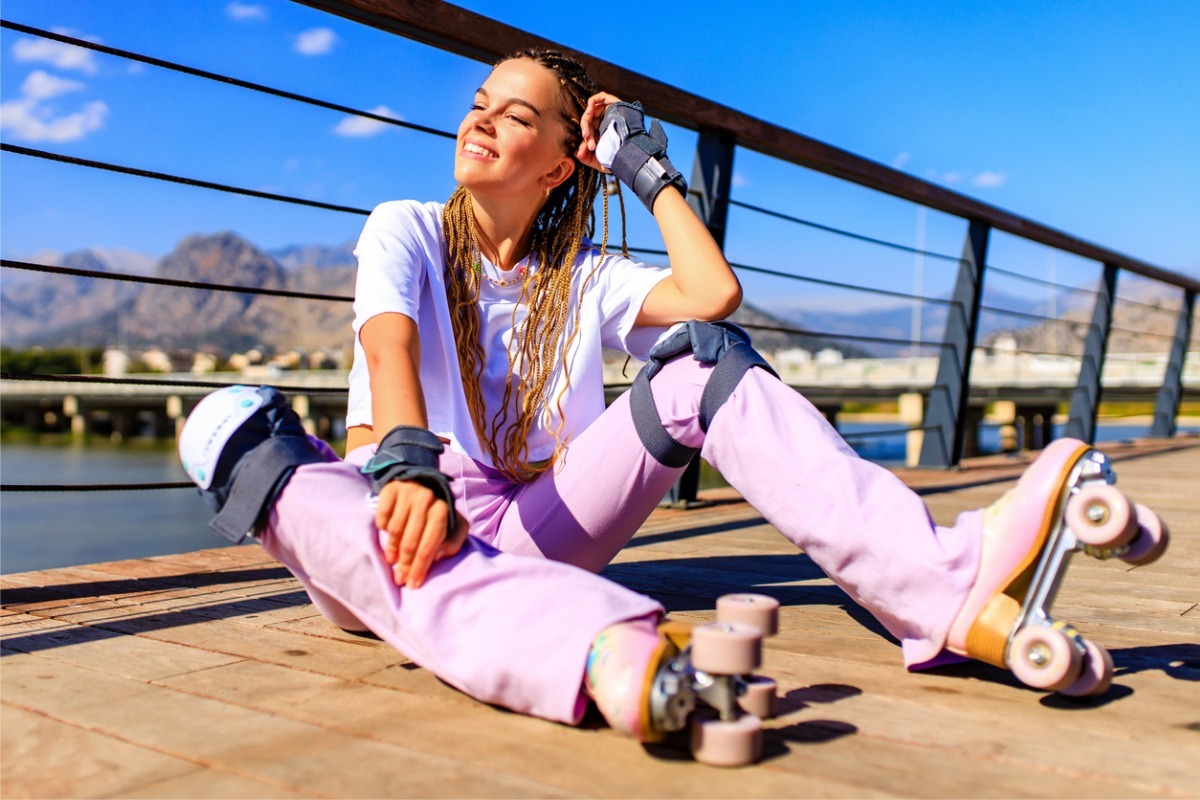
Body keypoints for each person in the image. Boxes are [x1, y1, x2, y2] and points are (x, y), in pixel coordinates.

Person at [180, 49, 1166, 761]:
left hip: (532, 529)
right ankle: (592, 643)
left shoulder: (587, 277)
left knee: (705, 361)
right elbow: (386, 342)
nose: (480, 119)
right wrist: (404, 459)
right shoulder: (404, 228)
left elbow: (710, 296)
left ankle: (939, 587)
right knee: (225, 421)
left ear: (563, 162)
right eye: (480, 103)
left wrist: (647, 170)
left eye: (516, 116)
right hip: (392, 530)